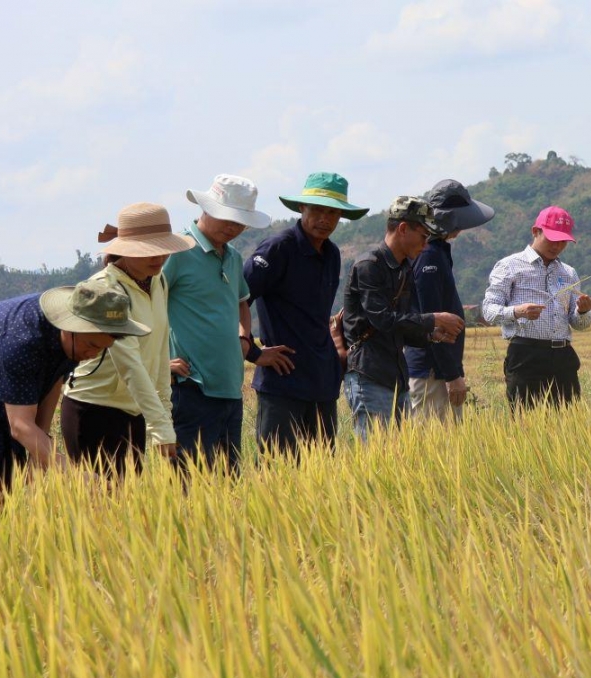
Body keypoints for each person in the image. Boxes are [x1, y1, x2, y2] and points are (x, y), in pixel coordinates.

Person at [0, 281, 150, 490]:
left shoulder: (68, 340)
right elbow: (20, 425)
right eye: (90, 345)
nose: (92, 354)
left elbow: (53, 381)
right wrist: (74, 475)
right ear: (69, 326)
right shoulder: (22, 340)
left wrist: (41, 453)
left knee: (2, 512)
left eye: (101, 348)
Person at [60, 203, 195, 477]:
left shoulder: (158, 282)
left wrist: (164, 413)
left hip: (132, 410)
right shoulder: (107, 289)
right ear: (125, 250)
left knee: (127, 505)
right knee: (100, 503)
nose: (159, 258)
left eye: (163, 249)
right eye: (149, 251)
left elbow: (158, 351)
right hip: (94, 409)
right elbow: (129, 364)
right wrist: (160, 425)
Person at [243, 172, 368, 455]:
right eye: (318, 210)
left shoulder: (332, 253)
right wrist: (253, 351)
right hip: (282, 383)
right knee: (279, 475)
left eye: (334, 212)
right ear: (302, 208)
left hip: (322, 383)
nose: (325, 219)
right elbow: (235, 299)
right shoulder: (278, 249)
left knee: (321, 476)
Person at [165, 174, 271, 474]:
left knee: (229, 485)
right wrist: (161, 361)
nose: (233, 227)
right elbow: (149, 306)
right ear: (207, 208)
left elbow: (242, 303)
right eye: (228, 218)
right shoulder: (177, 251)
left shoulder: (234, 257)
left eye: (240, 222)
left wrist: (244, 339)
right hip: (192, 387)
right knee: (190, 484)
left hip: (230, 388)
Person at [341, 196, 465, 440]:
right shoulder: (369, 265)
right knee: (375, 455)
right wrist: (434, 319)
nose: (426, 244)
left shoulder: (405, 269)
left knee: (399, 456)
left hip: (397, 374)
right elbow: (383, 319)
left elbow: (404, 321)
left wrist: (431, 336)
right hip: (369, 373)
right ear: (403, 228)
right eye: (423, 236)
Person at [481, 205, 591, 408]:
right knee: (526, 423)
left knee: (569, 424)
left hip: (562, 356)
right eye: (552, 239)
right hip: (526, 355)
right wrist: (518, 311)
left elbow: (578, 323)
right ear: (536, 232)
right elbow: (489, 310)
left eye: (563, 241)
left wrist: (583, 311)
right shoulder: (509, 266)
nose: (557, 246)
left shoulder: (568, 273)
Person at [405, 179, 495, 421]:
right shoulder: (429, 257)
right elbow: (434, 323)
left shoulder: (435, 252)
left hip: (436, 370)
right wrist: (451, 375)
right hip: (431, 372)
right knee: (435, 450)